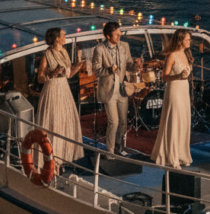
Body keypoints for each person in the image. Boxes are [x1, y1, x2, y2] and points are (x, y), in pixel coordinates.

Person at [36, 28, 86, 172]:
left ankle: (61, 160)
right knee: (53, 124)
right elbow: (40, 78)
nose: (65, 36)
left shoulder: (64, 52)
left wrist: (78, 66)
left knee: (64, 123)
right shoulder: (47, 54)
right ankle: (51, 161)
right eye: (63, 35)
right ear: (57, 38)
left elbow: (68, 74)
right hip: (52, 90)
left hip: (64, 89)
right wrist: (52, 73)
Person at [92, 22, 139, 155]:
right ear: (108, 36)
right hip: (108, 91)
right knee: (114, 121)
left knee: (123, 122)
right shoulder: (99, 49)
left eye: (120, 33)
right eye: (117, 34)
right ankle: (110, 151)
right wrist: (109, 70)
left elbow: (129, 63)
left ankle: (119, 148)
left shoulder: (125, 46)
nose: (120, 36)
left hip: (122, 90)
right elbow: (96, 70)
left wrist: (136, 65)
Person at [151, 29, 193, 169]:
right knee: (174, 120)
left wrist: (185, 76)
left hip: (184, 89)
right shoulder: (171, 56)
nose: (189, 41)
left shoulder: (187, 53)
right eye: (187, 39)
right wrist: (178, 76)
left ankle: (182, 154)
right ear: (180, 40)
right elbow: (164, 77)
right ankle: (172, 156)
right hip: (174, 89)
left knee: (183, 121)